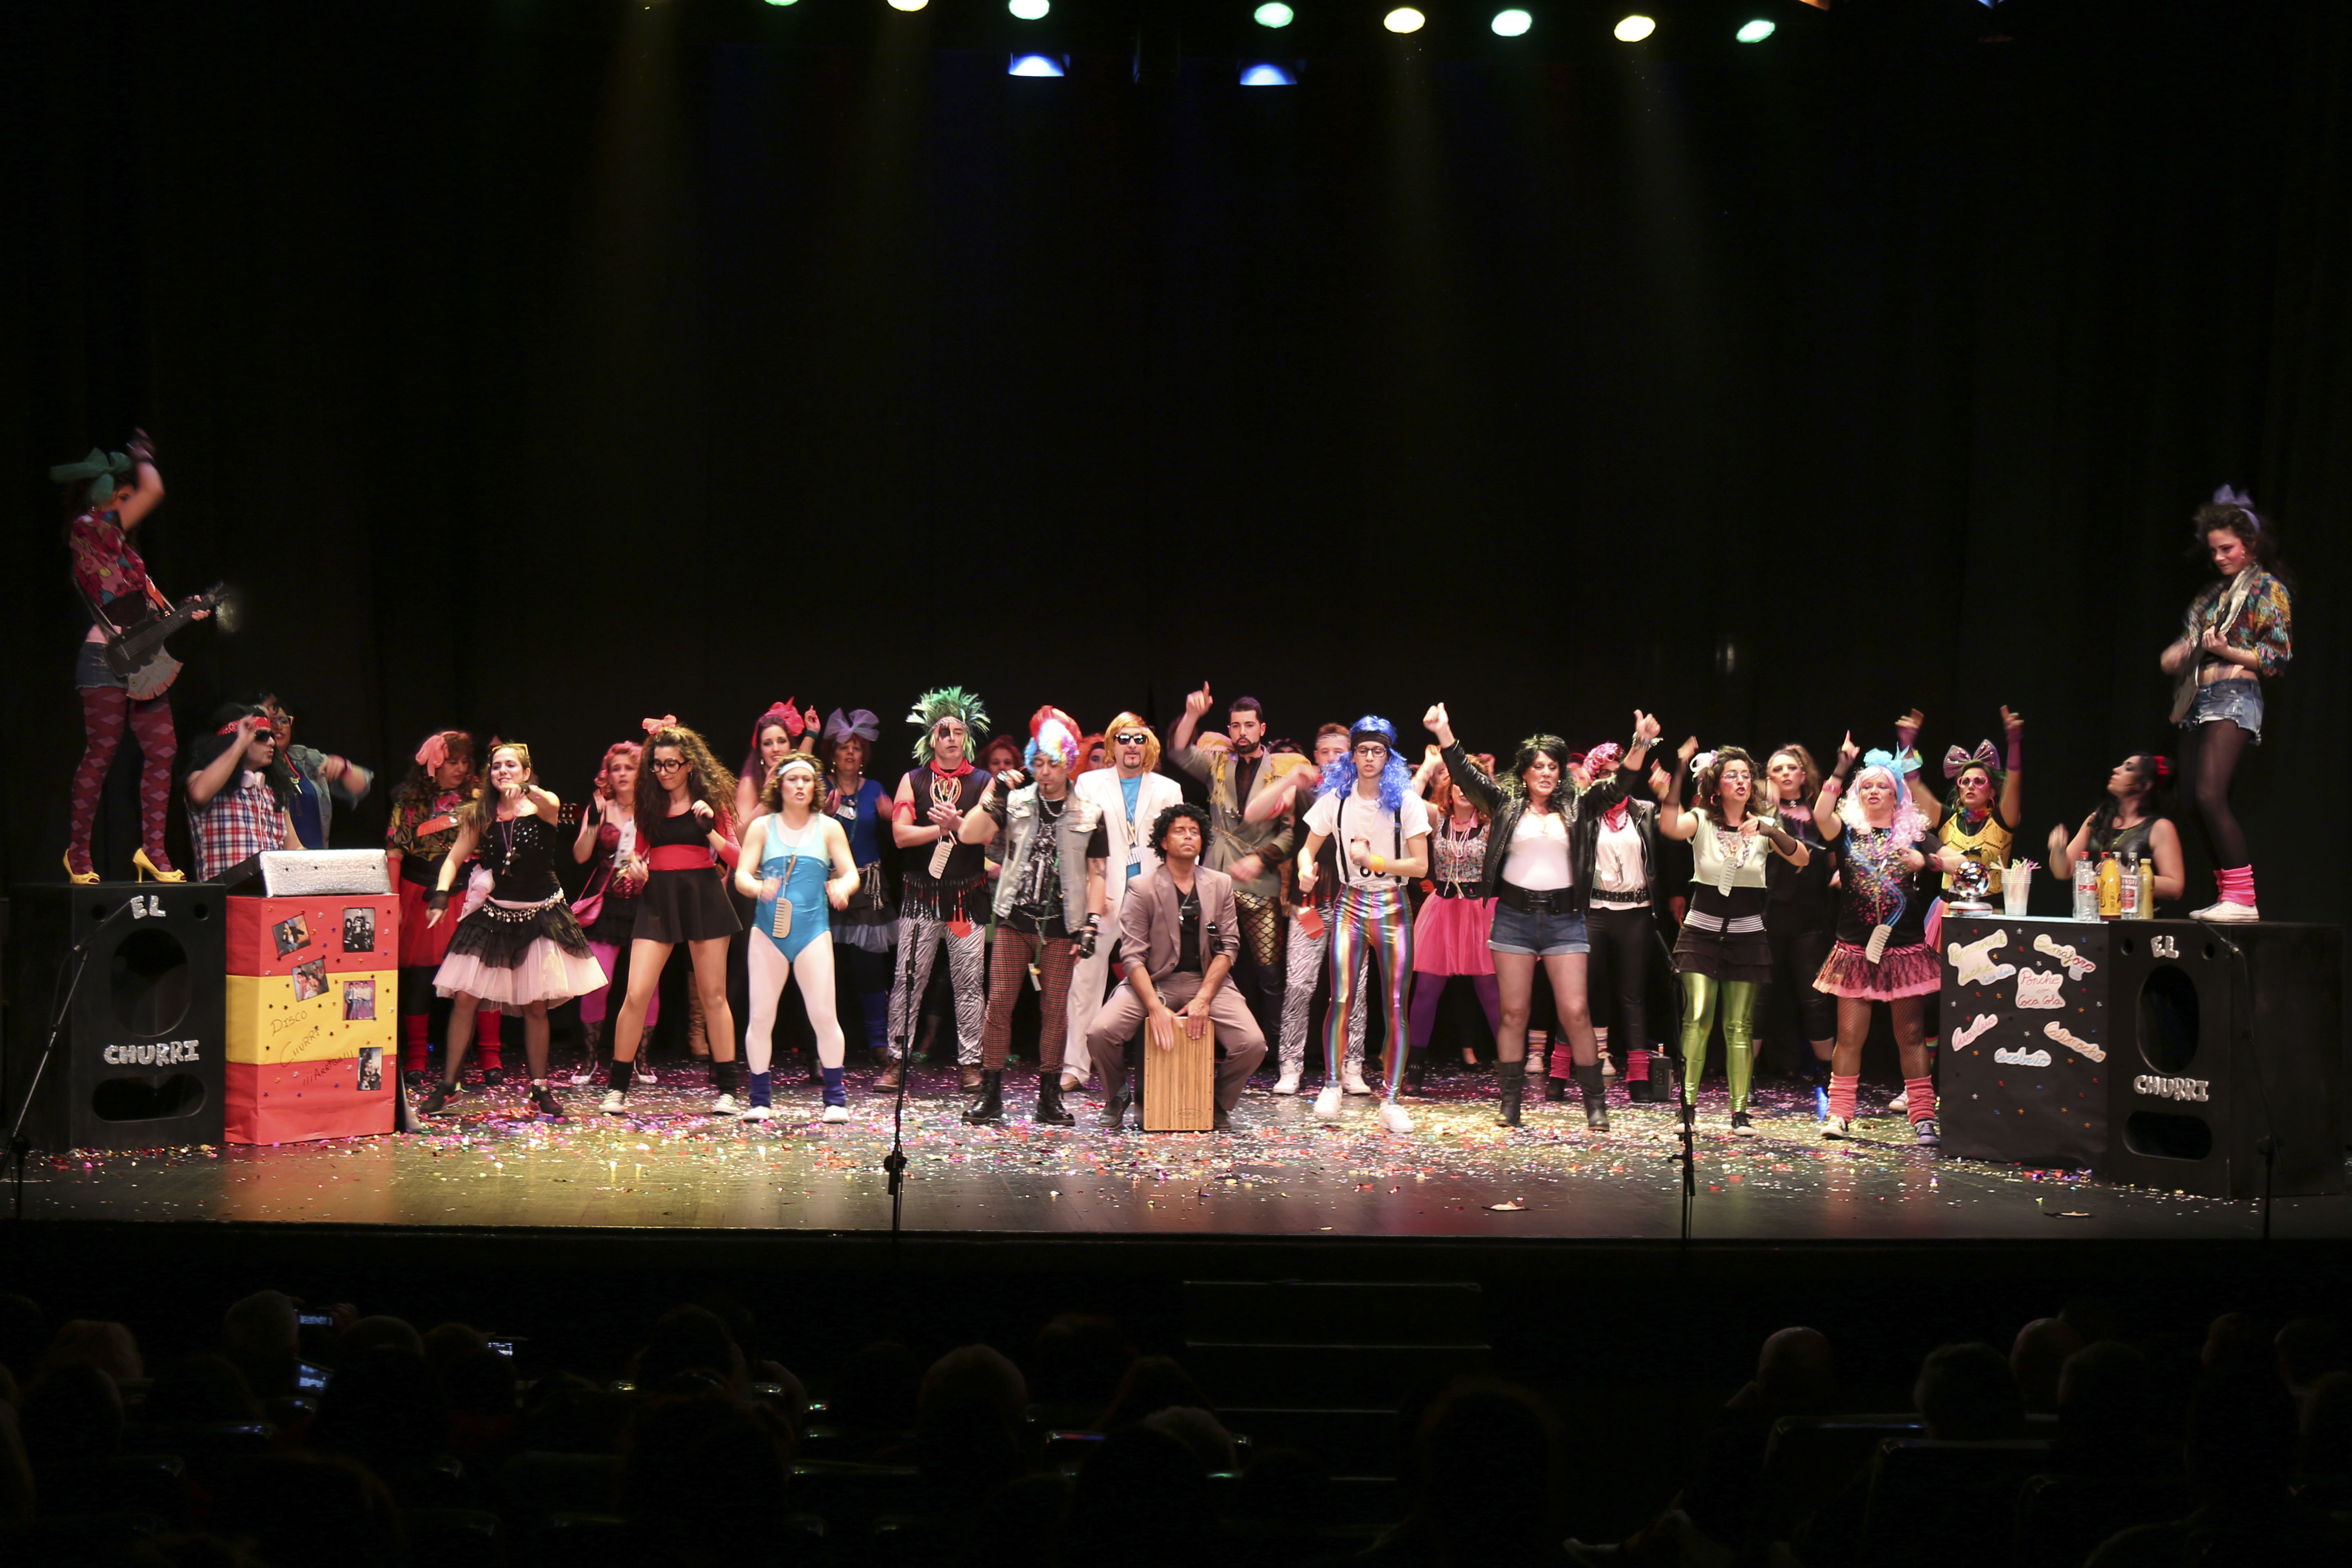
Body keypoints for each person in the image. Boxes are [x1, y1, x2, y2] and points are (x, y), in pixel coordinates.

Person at [1427, 706, 1606, 1131]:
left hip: (1564, 918)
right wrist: (1444, 731)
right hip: (1514, 917)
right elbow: (1466, 775)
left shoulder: (1578, 806)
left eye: (1553, 767)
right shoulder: (1505, 803)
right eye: (1538, 766)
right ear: (1524, 772)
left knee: (1576, 1011)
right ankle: (1510, 1103)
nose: (1546, 773)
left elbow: (1620, 787)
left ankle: (1596, 1104)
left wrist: (1641, 744)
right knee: (1513, 1012)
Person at [416, 742, 601, 1119]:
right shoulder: (481, 815)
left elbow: (552, 800)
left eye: (511, 765)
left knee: (536, 1005)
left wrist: (527, 791)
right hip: (495, 916)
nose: (503, 771)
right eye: (497, 766)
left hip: (540, 915)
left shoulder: (543, 807)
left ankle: (540, 1088)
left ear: (526, 772)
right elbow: (453, 860)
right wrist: (440, 894)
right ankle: (449, 1086)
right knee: (465, 998)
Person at [956, 708, 1109, 1126]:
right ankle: (991, 1094)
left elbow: (1098, 873)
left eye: (1053, 764)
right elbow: (969, 835)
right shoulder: (1016, 801)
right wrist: (995, 793)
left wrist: (1092, 923)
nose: (1045, 772)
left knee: (1055, 1011)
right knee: (999, 1006)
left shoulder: (1090, 812)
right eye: (1038, 763)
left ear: (1069, 763)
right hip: (1014, 918)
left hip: (1061, 924)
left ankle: (1049, 1098)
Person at [1082, 803, 1269, 1131]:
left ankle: (1216, 1102)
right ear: (1164, 841)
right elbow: (1133, 956)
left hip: (1207, 981)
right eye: (1180, 831)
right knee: (1100, 1033)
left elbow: (1228, 947)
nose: (1188, 837)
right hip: (1154, 981)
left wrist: (1204, 998)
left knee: (1252, 1044)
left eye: (1194, 832)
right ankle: (1117, 1095)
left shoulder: (1220, 884)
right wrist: (1155, 1007)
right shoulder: (1143, 887)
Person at [1811, 744, 1963, 1143]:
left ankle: (1923, 1117)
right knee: (1849, 1038)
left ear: (1898, 797)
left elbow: (1962, 864)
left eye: (1883, 786)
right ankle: (1840, 1113)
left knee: (1911, 1036)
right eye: (1867, 786)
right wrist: (1842, 767)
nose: (1874, 792)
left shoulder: (1915, 837)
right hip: (1856, 950)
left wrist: (1928, 862)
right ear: (1857, 795)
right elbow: (1821, 814)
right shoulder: (1846, 833)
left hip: (1904, 950)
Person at [1657, 740, 1810, 1136]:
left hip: (1747, 935)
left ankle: (1740, 1113)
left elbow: (1802, 858)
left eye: (1746, 775)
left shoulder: (1763, 825)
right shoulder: (1701, 820)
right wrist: (1679, 768)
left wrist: (1769, 829)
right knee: (1698, 1017)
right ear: (1717, 785)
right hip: (1701, 932)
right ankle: (1687, 1109)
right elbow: (1668, 826)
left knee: (1739, 1025)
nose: (1741, 781)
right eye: (1732, 776)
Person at [56, 432, 188, 882]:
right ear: (104, 498)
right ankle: (78, 853)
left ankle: (153, 850)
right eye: (123, 498)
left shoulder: (127, 554)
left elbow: (148, 610)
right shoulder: (88, 530)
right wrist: (142, 458)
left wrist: (184, 611)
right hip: (104, 659)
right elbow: (153, 491)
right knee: (101, 753)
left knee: (164, 749)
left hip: (144, 660)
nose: (131, 507)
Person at [2159, 485, 2294, 921]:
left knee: (2210, 794)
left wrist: (2227, 650)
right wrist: (2178, 654)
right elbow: (2179, 649)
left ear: (2250, 545)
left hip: (2234, 695)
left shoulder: (2266, 589)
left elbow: (2276, 658)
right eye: (2214, 550)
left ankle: (2244, 898)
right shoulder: (2210, 597)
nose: (2219, 557)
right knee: (2189, 800)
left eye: (2227, 549)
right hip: (2197, 697)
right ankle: (2229, 894)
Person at [602, 718, 744, 1116]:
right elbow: (636, 856)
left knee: (714, 996)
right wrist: (636, 867)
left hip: (703, 895)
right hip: (660, 898)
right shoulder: (649, 807)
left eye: (671, 764)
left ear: (689, 766)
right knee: (636, 994)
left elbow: (737, 857)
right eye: (657, 764)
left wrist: (709, 829)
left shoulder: (710, 806)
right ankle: (617, 1088)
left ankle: (728, 1090)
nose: (663, 772)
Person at [1298, 716, 1430, 1134]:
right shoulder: (1336, 800)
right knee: (1340, 998)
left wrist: (1376, 861)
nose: (1370, 757)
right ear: (1352, 756)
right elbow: (1307, 850)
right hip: (1351, 903)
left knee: (1396, 1004)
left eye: (1378, 751)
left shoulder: (1405, 801)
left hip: (1392, 905)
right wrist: (1304, 870)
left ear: (1389, 757)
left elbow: (1421, 865)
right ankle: (1332, 1084)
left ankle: (1390, 1099)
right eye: (1363, 750)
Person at [736, 755, 861, 1123]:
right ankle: (760, 1100)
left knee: (824, 1015)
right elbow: (741, 876)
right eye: (793, 780)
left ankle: (835, 1100)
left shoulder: (829, 828)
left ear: (815, 786)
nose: (800, 786)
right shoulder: (762, 827)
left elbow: (851, 873)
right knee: (761, 1016)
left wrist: (842, 887)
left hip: (812, 934)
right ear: (780, 786)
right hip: (767, 935)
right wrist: (759, 888)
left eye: (807, 779)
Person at [1168, 685, 1296, 1039]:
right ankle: (1210, 1047)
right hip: (1216, 880)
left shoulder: (1281, 771)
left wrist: (1261, 859)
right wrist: (1193, 715)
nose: (1243, 732)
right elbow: (1179, 750)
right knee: (1208, 964)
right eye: (1236, 726)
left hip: (1260, 885)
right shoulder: (1218, 764)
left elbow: (1290, 835)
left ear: (1262, 729)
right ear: (1229, 729)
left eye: (1249, 725)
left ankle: (1276, 1051)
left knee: (1270, 973)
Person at [882, 688, 994, 1094]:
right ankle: (897, 1059)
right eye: (944, 732)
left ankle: (971, 1063)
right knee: (908, 978)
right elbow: (900, 835)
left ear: (966, 738)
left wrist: (959, 826)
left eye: (958, 731)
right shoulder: (912, 780)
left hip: (965, 900)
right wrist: (940, 829)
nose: (951, 738)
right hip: (922, 899)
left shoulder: (984, 782)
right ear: (932, 739)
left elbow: (987, 834)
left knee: (969, 982)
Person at [1066, 713, 1183, 1093]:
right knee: (1085, 980)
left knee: (1160, 982)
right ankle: (1075, 1066)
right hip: (1105, 896)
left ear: (1149, 746)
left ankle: (1161, 1068)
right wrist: (1089, 892)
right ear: (1112, 745)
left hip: (1153, 898)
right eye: (1124, 739)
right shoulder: (1089, 783)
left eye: (1139, 739)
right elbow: (1078, 843)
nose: (1132, 745)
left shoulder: (1168, 788)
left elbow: (1180, 846)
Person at [1256, 726, 1368, 1097]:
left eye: (1340, 751)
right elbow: (1255, 812)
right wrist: (1290, 778)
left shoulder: (1369, 793)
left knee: (1355, 989)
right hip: (1311, 902)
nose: (1333, 758)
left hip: (1355, 904)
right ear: (1316, 757)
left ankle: (1352, 1066)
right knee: (1299, 986)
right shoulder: (1304, 792)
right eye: (1325, 752)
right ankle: (1290, 1066)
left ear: (1352, 755)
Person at [386, 731, 502, 1089]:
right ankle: (417, 1056)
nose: (461, 768)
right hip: (421, 894)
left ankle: (490, 1055)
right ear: (434, 764)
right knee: (421, 977)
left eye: (466, 762)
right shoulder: (411, 802)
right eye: (453, 762)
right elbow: (395, 851)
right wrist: (393, 901)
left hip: (470, 892)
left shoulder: (478, 798)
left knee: (481, 976)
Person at [1564, 722, 1665, 1103]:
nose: (1611, 780)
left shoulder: (1646, 812)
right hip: (1594, 910)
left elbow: (1670, 853)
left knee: (1633, 994)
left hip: (1636, 911)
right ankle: (1563, 1070)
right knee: (1581, 991)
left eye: (1616, 772)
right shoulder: (1585, 814)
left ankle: (1638, 1075)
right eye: (1603, 774)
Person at [1405, 748, 1501, 1095]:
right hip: (1443, 910)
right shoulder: (1437, 818)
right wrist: (1429, 767)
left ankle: (1511, 1069)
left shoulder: (1493, 823)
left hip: (1480, 912)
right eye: (1458, 782)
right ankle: (1415, 1068)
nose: (1463, 789)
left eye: (1471, 783)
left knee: (1491, 993)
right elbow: (1405, 801)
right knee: (1426, 991)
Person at [570, 741, 655, 1086]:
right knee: (597, 983)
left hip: (647, 904)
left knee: (647, 987)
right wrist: (592, 822)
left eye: (629, 768)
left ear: (641, 773)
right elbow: (580, 856)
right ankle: (590, 1059)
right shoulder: (601, 809)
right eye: (615, 768)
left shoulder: (654, 809)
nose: (622, 774)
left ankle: (642, 1060)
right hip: (606, 906)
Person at [1761, 744, 1839, 1102]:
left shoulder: (1820, 813)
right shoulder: (1761, 812)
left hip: (1810, 918)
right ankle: (1746, 1074)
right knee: (1759, 998)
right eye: (1777, 770)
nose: (1785, 774)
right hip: (1767, 915)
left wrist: (1842, 874)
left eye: (1791, 768)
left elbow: (1837, 857)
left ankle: (1830, 1074)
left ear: (1804, 775)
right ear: (1768, 778)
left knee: (1815, 1000)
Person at [821, 709, 899, 1070]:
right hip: (827, 887)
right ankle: (825, 1045)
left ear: (864, 754)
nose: (850, 753)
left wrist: (893, 817)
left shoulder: (876, 790)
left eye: (856, 747)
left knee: (870, 970)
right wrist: (822, 813)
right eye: (844, 747)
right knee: (826, 971)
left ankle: (878, 1042)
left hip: (868, 890)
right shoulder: (820, 787)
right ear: (833, 754)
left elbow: (899, 834)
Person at [2047, 755, 2188, 910]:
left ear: (2146, 785)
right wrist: (2058, 850)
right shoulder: (2098, 819)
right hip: (2095, 916)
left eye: (2129, 768)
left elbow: (2175, 888)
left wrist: (2129, 877)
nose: (2116, 770)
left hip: (2136, 919)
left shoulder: (2159, 827)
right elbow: (2063, 871)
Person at [183, 706, 296, 883]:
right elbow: (199, 794)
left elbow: (294, 848)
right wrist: (241, 743)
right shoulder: (201, 779)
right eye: (262, 736)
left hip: (272, 895)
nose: (272, 742)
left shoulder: (274, 790)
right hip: (223, 895)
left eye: (271, 736)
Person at [256, 693, 374, 851]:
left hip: (314, 858)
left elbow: (363, 786)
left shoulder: (306, 758)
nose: (278, 727)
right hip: (274, 858)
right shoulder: (252, 765)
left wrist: (345, 768)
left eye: (284, 721)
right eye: (271, 721)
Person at [1935, 707, 2026, 900]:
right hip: (1949, 908)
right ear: (1959, 789)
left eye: (1979, 782)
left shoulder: (2002, 820)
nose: (1971, 786)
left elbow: (2014, 782)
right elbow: (1915, 786)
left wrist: (2014, 743)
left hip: (1990, 910)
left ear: (1992, 791)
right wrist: (1907, 744)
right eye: (1965, 782)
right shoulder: (1946, 819)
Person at [735, 700, 821, 833]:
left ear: (790, 747)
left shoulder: (795, 776)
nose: (776, 749)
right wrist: (766, 801)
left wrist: (812, 733)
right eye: (768, 743)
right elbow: (739, 836)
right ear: (760, 751)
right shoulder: (750, 783)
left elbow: (802, 760)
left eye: (782, 741)